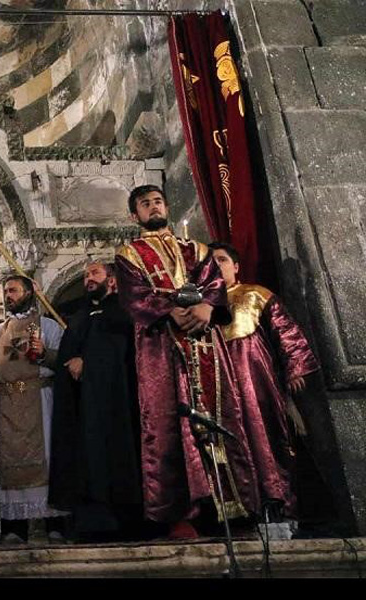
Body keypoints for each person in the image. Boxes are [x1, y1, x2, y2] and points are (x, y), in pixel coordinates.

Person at [115, 184, 260, 538]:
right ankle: (181, 513)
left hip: (203, 338)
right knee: (166, 424)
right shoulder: (129, 254)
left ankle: (235, 507)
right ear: (135, 215)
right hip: (161, 346)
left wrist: (208, 307)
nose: (154, 207)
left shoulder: (195, 248)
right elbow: (134, 295)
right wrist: (169, 311)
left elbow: (213, 283)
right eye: (145, 204)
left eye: (158, 201)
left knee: (222, 413)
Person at [209, 242, 320, 520]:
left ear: (235, 266)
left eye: (222, 260)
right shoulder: (203, 307)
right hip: (220, 381)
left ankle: (278, 502)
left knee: (265, 435)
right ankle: (242, 508)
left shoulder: (255, 294)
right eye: (210, 263)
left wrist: (295, 367)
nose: (216, 266)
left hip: (255, 376)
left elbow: (285, 330)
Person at [49, 262, 143, 540]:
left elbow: (119, 353)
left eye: (95, 274)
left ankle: (120, 520)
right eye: (87, 275)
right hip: (82, 406)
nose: (88, 279)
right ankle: (90, 520)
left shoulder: (123, 312)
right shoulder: (81, 315)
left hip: (115, 405)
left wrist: (87, 361)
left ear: (112, 281)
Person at [0, 274, 68, 543]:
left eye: (13, 290)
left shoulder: (48, 326)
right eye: (6, 291)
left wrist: (45, 354)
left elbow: (65, 360)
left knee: (47, 459)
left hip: (40, 398)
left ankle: (54, 523)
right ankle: (16, 527)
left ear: (29, 292)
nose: (8, 296)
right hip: (5, 403)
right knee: (7, 463)